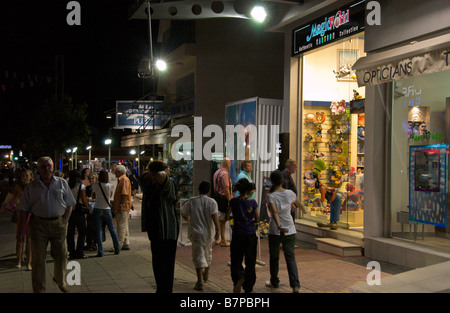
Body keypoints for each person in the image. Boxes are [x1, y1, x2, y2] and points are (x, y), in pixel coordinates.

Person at [16, 157, 76, 293]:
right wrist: (20, 231)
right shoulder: (32, 187)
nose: (46, 169)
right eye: (42, 166)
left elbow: (69, 204)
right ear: (38, 169)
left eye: (48, 166)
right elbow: (23, 210)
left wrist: (64, 221)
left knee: (62, 254)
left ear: (53, 167)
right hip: (38, 225)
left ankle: (60, 279)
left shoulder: (61, 183)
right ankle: (39, 288)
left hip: (58, 223)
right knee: (38, 259)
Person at [140, 160, 179, 293]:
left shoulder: (148, 183)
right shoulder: (167, 183)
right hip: (167, 227)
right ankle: (165, 289)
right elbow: (173, 197)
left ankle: (161, 288)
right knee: (168, 263)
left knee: (157, 261)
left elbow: (144, 176)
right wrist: (158, 172)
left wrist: (152, 173)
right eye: (167, 169)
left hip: (154, 228)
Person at [266, 170, 302, 293]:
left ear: (272, 181)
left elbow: (274, 212)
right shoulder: (290, 193)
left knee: (274, 257)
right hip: (290, 229)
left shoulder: (271, 195)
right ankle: (295, 285)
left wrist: (278, 225)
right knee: (290, 257)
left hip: (275, 230)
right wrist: (303, 209)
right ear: (282, 180)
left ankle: (274, 281)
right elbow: (297, 203)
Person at [181, 181, 219, 291]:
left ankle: (200, 281)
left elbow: (183, 213)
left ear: (198, 190)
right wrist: (217, 230)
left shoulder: (192, 201)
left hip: (196, 232)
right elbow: (215, 216)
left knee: (198, 255)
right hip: (208, 233)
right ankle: (206, 273)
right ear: (209, 190)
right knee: (208, 252)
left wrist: (189, 221)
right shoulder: (212, 202)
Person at [226, 178, 259, 293]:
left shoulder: (233, 201)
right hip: (250, 234)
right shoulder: (253, 202)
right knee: (251, 261)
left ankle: (238, 277)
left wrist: (233, 218)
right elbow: (257, 219)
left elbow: (227, 216)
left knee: (236, 259)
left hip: (238, 234)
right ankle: (249, 286)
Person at [91, 170, 120, 257]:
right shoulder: (109, 186)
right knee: (112, 229)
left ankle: (100, 251)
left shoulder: (95, 185)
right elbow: (110, 196)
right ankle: (117, 248)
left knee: (99, 230)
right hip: (107, 209)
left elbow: (93, 196)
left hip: (97, 208)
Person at [9, 168, 34, 270]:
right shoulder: (18, 186)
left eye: (27, 176)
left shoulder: (33, 186)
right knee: (19, 238)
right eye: (23, 176)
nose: (25, 177)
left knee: (29, 239)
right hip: (19, 213)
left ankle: (29, 262)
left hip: (30, 214)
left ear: (31, 176)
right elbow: (12, 198)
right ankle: (19, 260)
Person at [67, 169, 89, 259]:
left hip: (69, 211)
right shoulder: (81, 186)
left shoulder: (67, 186)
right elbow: (83, 199)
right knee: (82, 231)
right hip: (79, 211)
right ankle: (80, 251)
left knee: (70, 233)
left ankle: (71, 252)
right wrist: (87, 207)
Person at [212, 158, 232, 246]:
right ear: (227, 164)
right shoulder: (224, 174)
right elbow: (226, 188)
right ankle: (223, 239)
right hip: (223, 198)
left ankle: (218, 238)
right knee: (223, 220)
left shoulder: (216, 172)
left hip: (217, 197)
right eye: (230, 163)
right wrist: (230, 199)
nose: (230, 165)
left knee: (219, 219)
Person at [113, 164, 132, 250]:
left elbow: (124, 194)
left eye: (116, 171)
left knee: (120, 226)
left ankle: (118, 245)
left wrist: (121, 205)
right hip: (124, 206)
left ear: (119, 172)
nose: (114, 173)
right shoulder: (123, 180)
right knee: (124, 225)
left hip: (122, 206)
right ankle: (125, 242)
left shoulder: (124, 180)